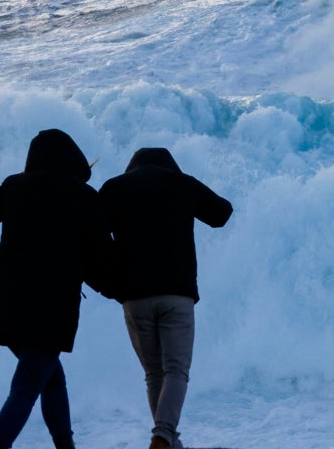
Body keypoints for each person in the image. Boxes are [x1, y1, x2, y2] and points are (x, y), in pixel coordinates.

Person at [0, 128, 115, 449]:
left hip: (8, 303)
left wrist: (15, 188)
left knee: (50, 379)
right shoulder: (84, 197)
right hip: (51, 307)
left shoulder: (15, 186)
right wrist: (124, 290)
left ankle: (65, 446)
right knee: (27, 387)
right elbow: (101, 262)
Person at [99, 147, 233, 449]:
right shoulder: (182, 183)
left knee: (153, 372)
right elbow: (221, 213)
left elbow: (92, 232)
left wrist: (110, 280)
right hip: (177, 294)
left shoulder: (115, 188)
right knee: (176, 369)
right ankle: (162, 435)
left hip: (133, 297)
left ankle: (169, 440)